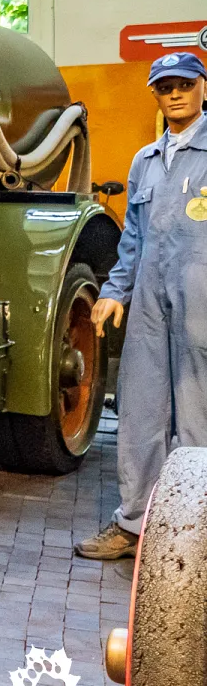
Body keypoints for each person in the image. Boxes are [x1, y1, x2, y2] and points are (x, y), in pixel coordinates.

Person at [76, 51, 207, 560]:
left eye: (184, 84)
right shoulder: (144, 161)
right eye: (164, 86)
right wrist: (113, 291)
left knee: (197, 415)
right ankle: (135, 526)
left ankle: (192, 533)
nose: (174, 93)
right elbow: (132, 237)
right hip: (151, 302)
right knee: (141, 410)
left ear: (202, 88)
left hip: (200, 300)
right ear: (154, 94)